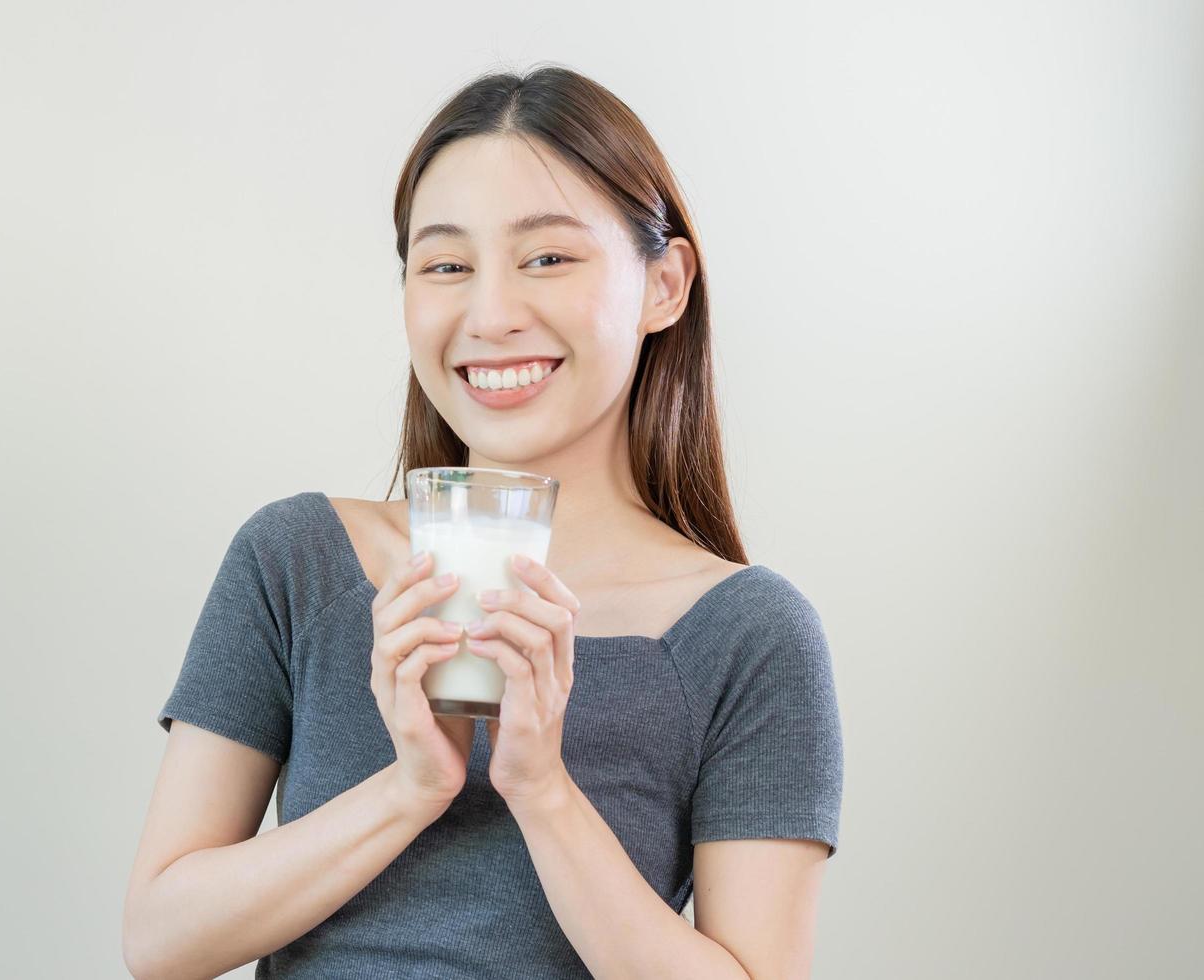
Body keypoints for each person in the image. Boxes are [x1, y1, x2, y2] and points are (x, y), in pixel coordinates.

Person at [123, 64, 843, 980]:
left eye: (547, 257)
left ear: (665, 285)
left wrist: (540, 786)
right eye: (447, 265)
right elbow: (160, 939)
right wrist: (412, 787)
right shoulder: (295, 561)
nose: (492, 314)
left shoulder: (748, 634)